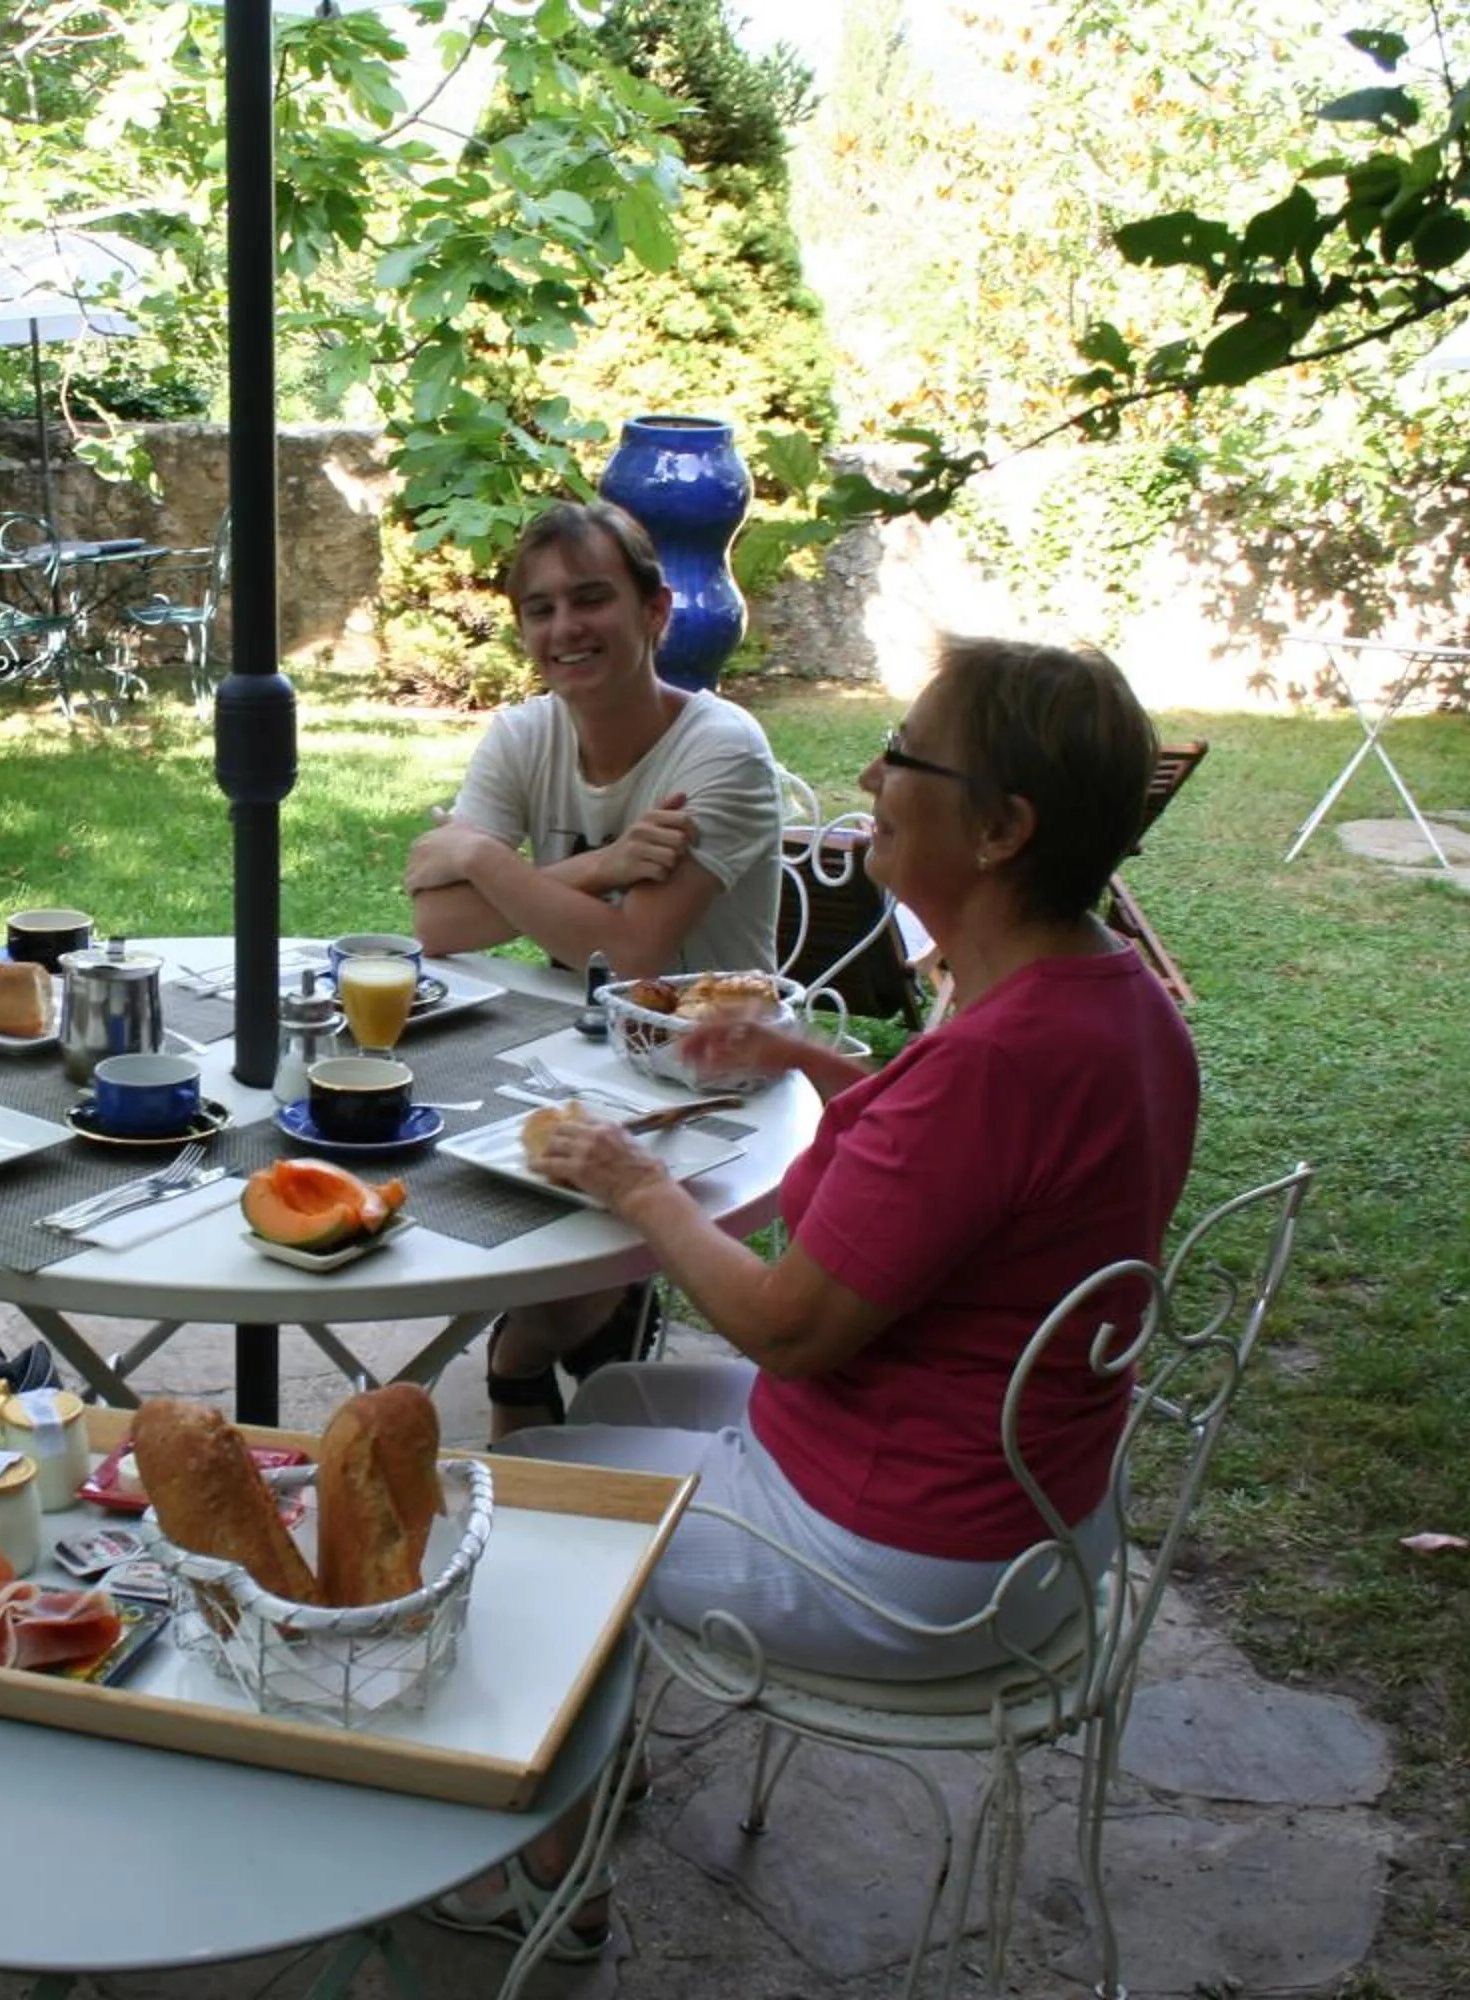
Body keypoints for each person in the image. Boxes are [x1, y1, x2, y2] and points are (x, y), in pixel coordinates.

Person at [426, 633, 1200, 1962]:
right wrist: (806, 1058)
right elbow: (975, 1184)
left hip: (915, 1560)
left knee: (512, 1493)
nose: (871, 772)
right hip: (1033, 1508)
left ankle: (546, 1881)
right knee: (610, 1391)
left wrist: (636, 1184)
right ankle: (593, 1735)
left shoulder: (996, 1064)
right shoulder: (1114, 1006)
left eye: (906, 753)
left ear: (1002, 826)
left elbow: (789, 1327)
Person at [399, 499, 784, 1439]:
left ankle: (526, 1357)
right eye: (540, 609)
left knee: (550, 1217)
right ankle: (585, 1321)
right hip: (571, 1050)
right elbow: (435, 921)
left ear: (656, 612)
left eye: (591, 598)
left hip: (717, 1072)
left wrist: (487, 860)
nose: (564, 628)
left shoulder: (720, 751)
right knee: (435, 1155)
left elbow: (632, 954)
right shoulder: (525, 736)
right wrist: (604, 867)